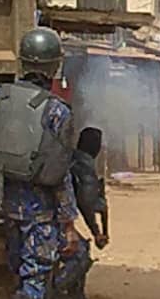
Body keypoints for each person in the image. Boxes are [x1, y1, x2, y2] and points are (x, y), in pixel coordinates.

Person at [0, 27, 80, 299]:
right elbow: (60, 174)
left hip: (8, 208)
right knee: (35, 282)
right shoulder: (58, 111)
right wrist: (68, 224)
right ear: (54, 66)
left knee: (20, 273)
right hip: (42, 216)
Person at [56, 127, 109, 299]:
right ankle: (56, 289)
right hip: (51, 221)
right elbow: (88, 204)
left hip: (40, 214)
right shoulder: (85, 166)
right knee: (80, 254)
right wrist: (98, 232)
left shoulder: (69, 157)